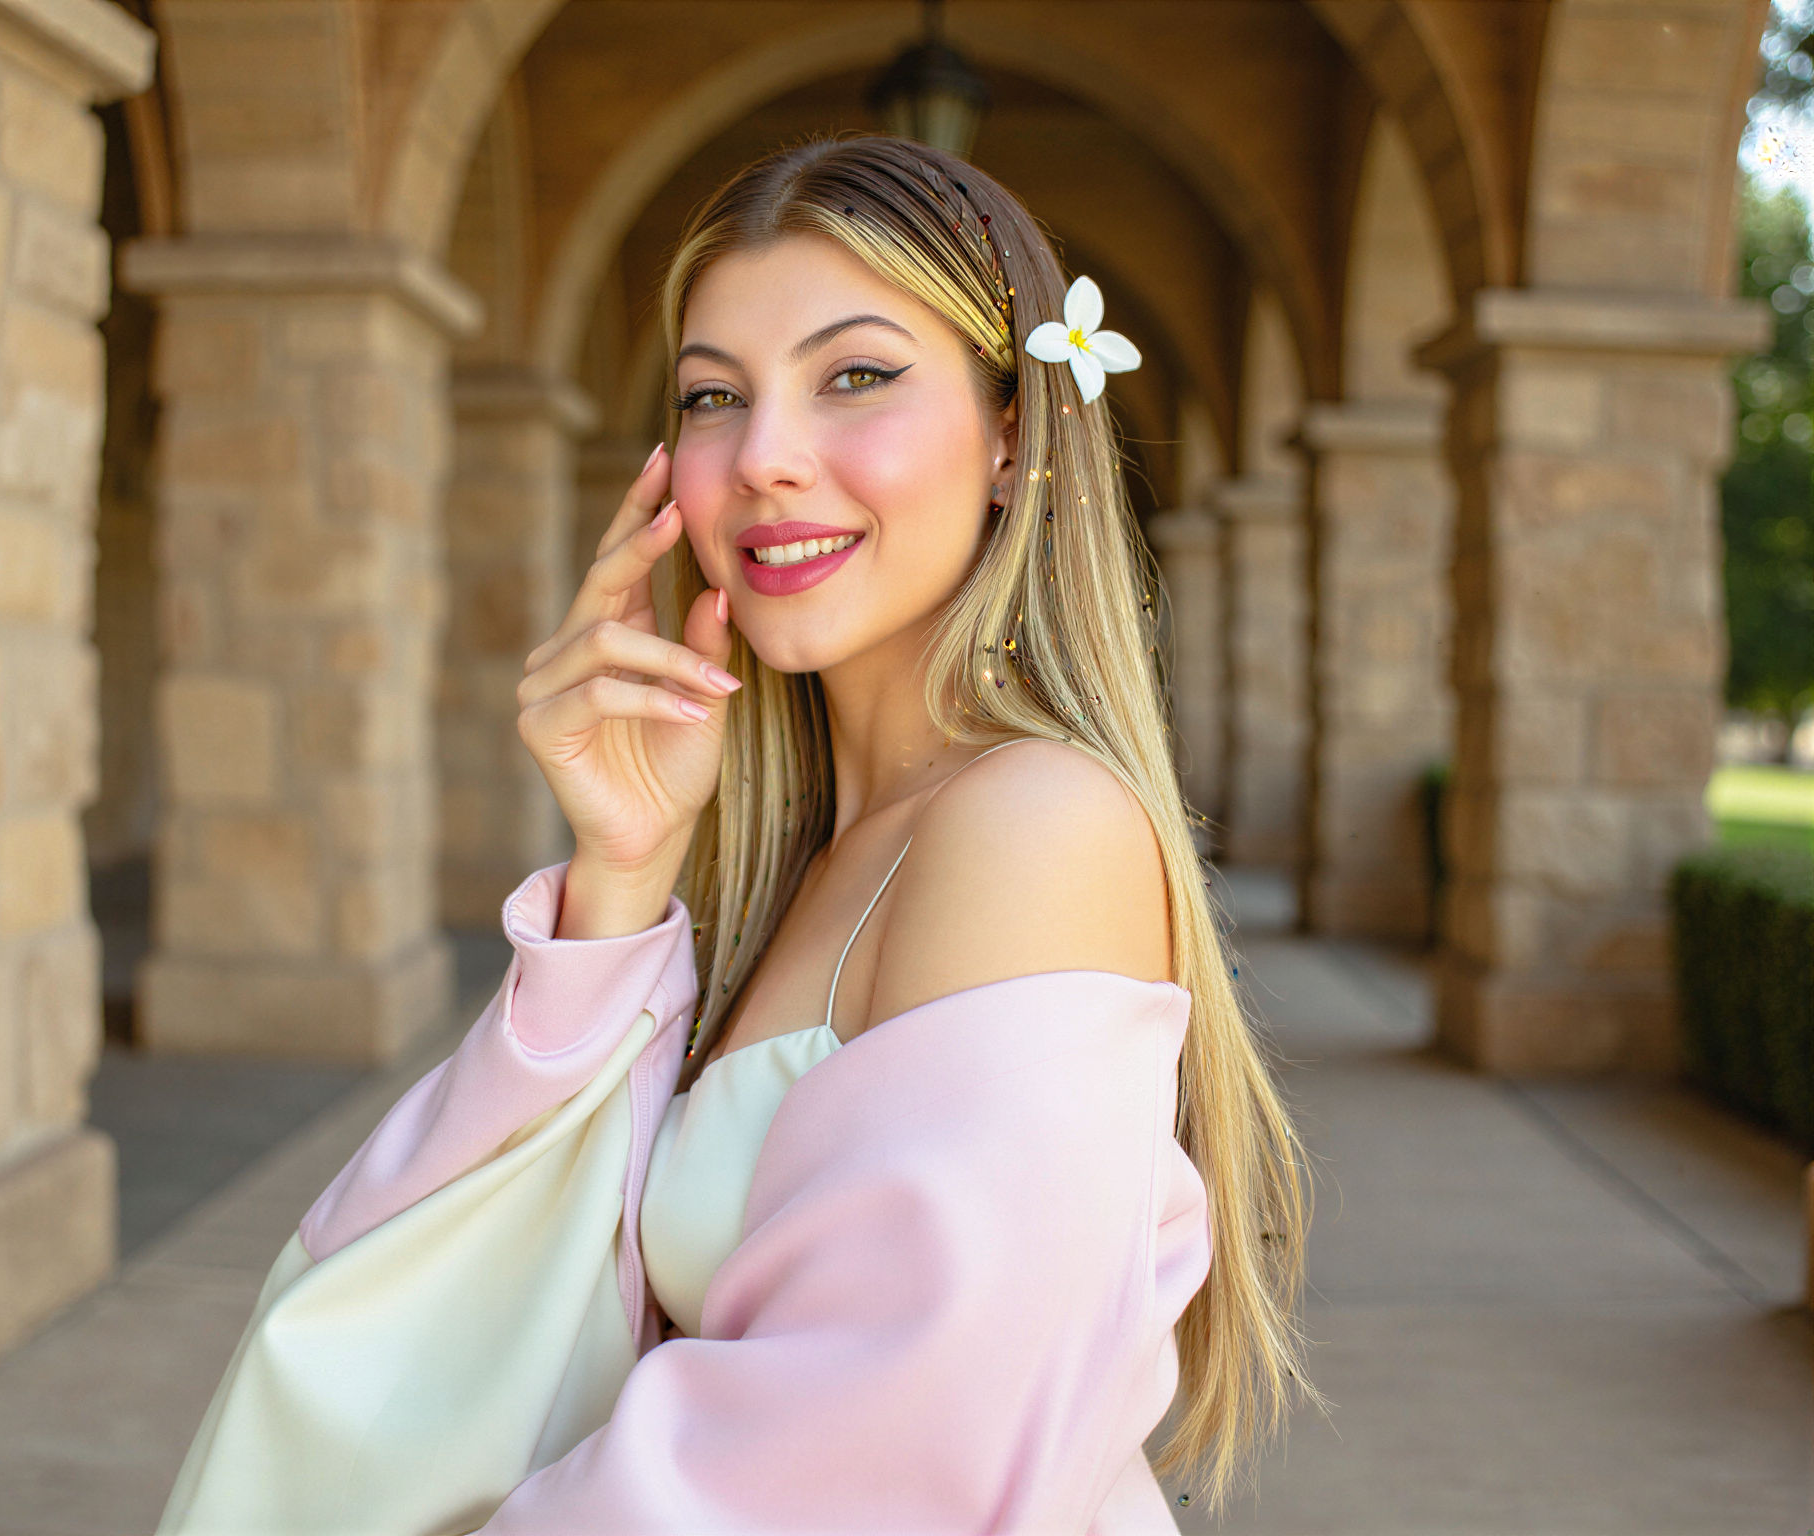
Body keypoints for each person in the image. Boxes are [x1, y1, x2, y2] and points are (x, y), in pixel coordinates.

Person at [156, 136, 1313, 1536]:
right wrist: (622, 882)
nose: (764, 458)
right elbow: (473, 1273)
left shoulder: (1035, 828)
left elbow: (885, 1456)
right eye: (715, 397)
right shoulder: (821, 852)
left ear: (1016, 434)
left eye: (857, 375)